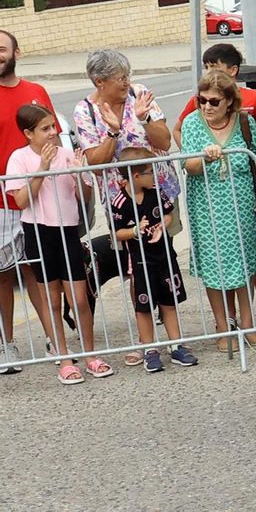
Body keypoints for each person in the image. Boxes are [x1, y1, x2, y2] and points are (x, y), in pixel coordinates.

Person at [7, 103, 106, 384]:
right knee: (51, 299)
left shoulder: (66, 154)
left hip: (67, 230)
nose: (53, 133)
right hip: (38, 230)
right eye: (45, 129)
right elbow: (22, 200)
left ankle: (91, 355)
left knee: (79, 298)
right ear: (28, 133)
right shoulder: (19, 158)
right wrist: (42, 169)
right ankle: (63, 358)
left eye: (54, 127)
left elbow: (83, 197)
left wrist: (79, 174)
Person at [179, 69, 256, 354]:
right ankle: (222, 326)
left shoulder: (243, 122)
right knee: (214, 264)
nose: (206, 106)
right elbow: (187, 165)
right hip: (207, 206)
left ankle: (246, 323)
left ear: (230, 102)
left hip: (241, 203)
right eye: (202, 100)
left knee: (243, 262)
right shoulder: (193, 123)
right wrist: (204, 157)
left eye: (214, 101)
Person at [110, 146, 196, 374]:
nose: (154, 175)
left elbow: (168, 214)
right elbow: (117, 232)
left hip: (164, 257)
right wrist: (135, 232)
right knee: (144, 307)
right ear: (136, 176)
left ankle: (176, 345)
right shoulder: (119, 201)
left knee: (169, 303)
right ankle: (150, 350)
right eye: (150, 171)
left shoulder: (157, 192)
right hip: (140, 263)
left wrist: (162, 225)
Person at [0, 30, 52, 372]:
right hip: (1, 202)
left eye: (1, 49)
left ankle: (55, 341)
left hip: (38, 197)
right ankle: (8, 346)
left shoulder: (36, 92)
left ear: (16, 51)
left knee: (40, 273)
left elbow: (53, 137)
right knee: (2, 276)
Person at [72, 49, 175, 213]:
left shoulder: (138, 93)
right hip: (121, 203)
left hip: (159, 192)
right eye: (121, 78)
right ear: (100, 82)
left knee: (165, 238)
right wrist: (113, 133)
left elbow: (165, 143)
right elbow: (97, 167)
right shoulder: (84, 110)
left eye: (128, 75)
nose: (127, 82)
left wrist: (145, 119)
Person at [177, 43, 256, 138]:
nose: (209, 72)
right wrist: (191, 153)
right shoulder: (200, 99)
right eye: (206, 67)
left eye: (214, 67)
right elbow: (177, 130)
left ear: (233, 70)